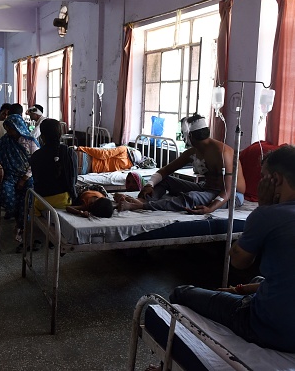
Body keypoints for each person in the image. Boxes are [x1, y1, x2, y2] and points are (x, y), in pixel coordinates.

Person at [169, 145, 295, 353]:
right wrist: (240, 289)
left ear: (276, 180)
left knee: (181, 293)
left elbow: (238, 261)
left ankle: (167, 362)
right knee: (258, 281)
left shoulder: (268, 215)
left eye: (263, 177)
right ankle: (242, 292)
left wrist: (263, 208)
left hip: (269, 329)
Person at [115, 114, 246, 213]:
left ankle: (142, 205)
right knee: (165, 181)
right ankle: (143, 199)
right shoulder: (194, 151)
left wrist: (210, 208)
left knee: (192, 197)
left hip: (231, 196)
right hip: (206, 188)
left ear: (190, 136)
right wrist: (149, 185)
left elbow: (228, 190)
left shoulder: (223, 153)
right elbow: (165, 171)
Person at [0, 114, 39, 242]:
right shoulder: (5, 140)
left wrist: (24, 178)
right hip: (10, 174)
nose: (8, 132)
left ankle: (22, 226)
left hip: (27, 176)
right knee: (6, 193)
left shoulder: (30, 141)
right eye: (7, 129)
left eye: (10, 129)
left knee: (28, 196)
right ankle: (17, 219)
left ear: (18, 127)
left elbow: (36, 162)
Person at [30, 118, 78, 216]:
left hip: (42, 202)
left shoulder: (36, 156)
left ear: (42, 136)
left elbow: (36, 181)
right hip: (65, 201)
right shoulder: (70, 153)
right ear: (60, 134)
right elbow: (74, 180)